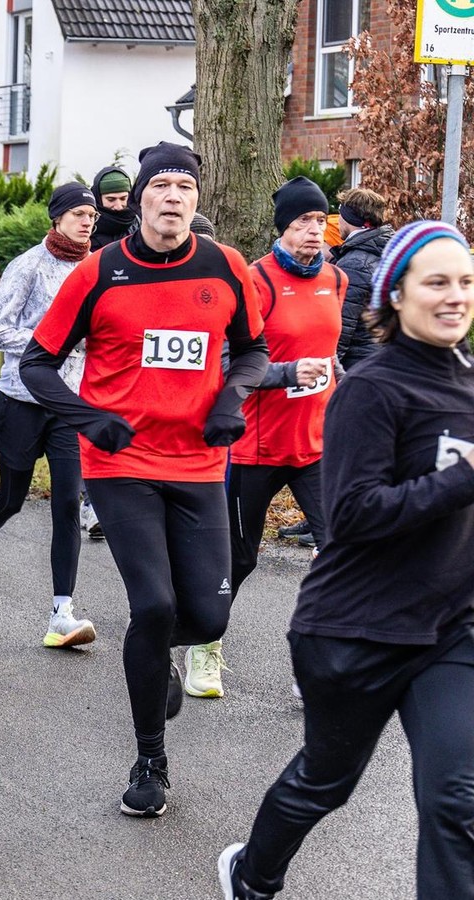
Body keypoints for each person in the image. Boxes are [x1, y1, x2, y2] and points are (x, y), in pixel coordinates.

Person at [217, 220, 474, 900]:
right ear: (395, 294)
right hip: (354, 629)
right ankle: (252, 874)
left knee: (457, 803)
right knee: (325, 782)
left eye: (466, 282)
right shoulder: (372, 388)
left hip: (447, 630)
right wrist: (461, 479)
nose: (455, 296)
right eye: (437, 282)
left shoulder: (471, 384)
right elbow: (354, 515)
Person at [19, 142, 268, 818]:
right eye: (161, 185)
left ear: (196, 200)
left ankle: (157, 661)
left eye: (185, 186)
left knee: (208, 614)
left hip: (198, 463)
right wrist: (86, 418)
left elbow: (253, 350)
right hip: (121, 461)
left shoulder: (225, 266)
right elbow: (38, 365)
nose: (173, 197)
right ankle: (150, 760)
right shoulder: (100, 272)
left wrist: (229, 399)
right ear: (140, 201)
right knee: (153, 606)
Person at [183, 178, 344, 700]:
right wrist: (286, 373)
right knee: (239, 557)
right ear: (283, 228)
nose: (314, 232)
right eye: (302, 222)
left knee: (341, 549)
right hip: (254, 445)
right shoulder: (255, 282)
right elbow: (227, 362)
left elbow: (331, 355)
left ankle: (313, 663)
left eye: (320, 221)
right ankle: (203, 646)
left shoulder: (337, 280)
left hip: (316, 446)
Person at [0, 183, 100, 649]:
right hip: (21, 398)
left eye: (91, 216)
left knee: (66, 507)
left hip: (68, 405)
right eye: (77, 214)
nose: (86, 222)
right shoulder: (29, 265)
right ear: (56, 219)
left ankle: (62, 613)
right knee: (11, 499)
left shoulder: (98, 268)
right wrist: (50, 343)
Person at [330, 186, 391, 370]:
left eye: (340, 213)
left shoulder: (354, 263)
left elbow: (342, 326)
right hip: (386, 360)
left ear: (349, 218)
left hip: (359, 365)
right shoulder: (392, 252)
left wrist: (330, 374)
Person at [90, 167, 136, 249]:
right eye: (111, 199)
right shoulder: (86, 227)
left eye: (123, 199)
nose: (118, 206)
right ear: (98, 199)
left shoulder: (141, 224)